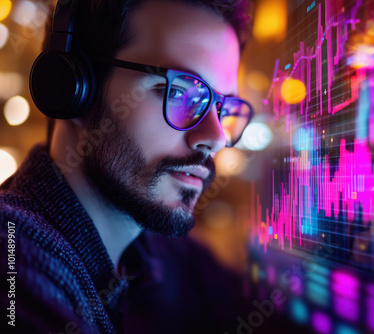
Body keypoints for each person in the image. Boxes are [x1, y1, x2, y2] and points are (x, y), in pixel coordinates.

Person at [0, 0, 253, 332]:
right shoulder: (16, 264)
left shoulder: (156, 251)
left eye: (223, 107)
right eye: (177, 93)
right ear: (70, 88)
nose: (216, 137)